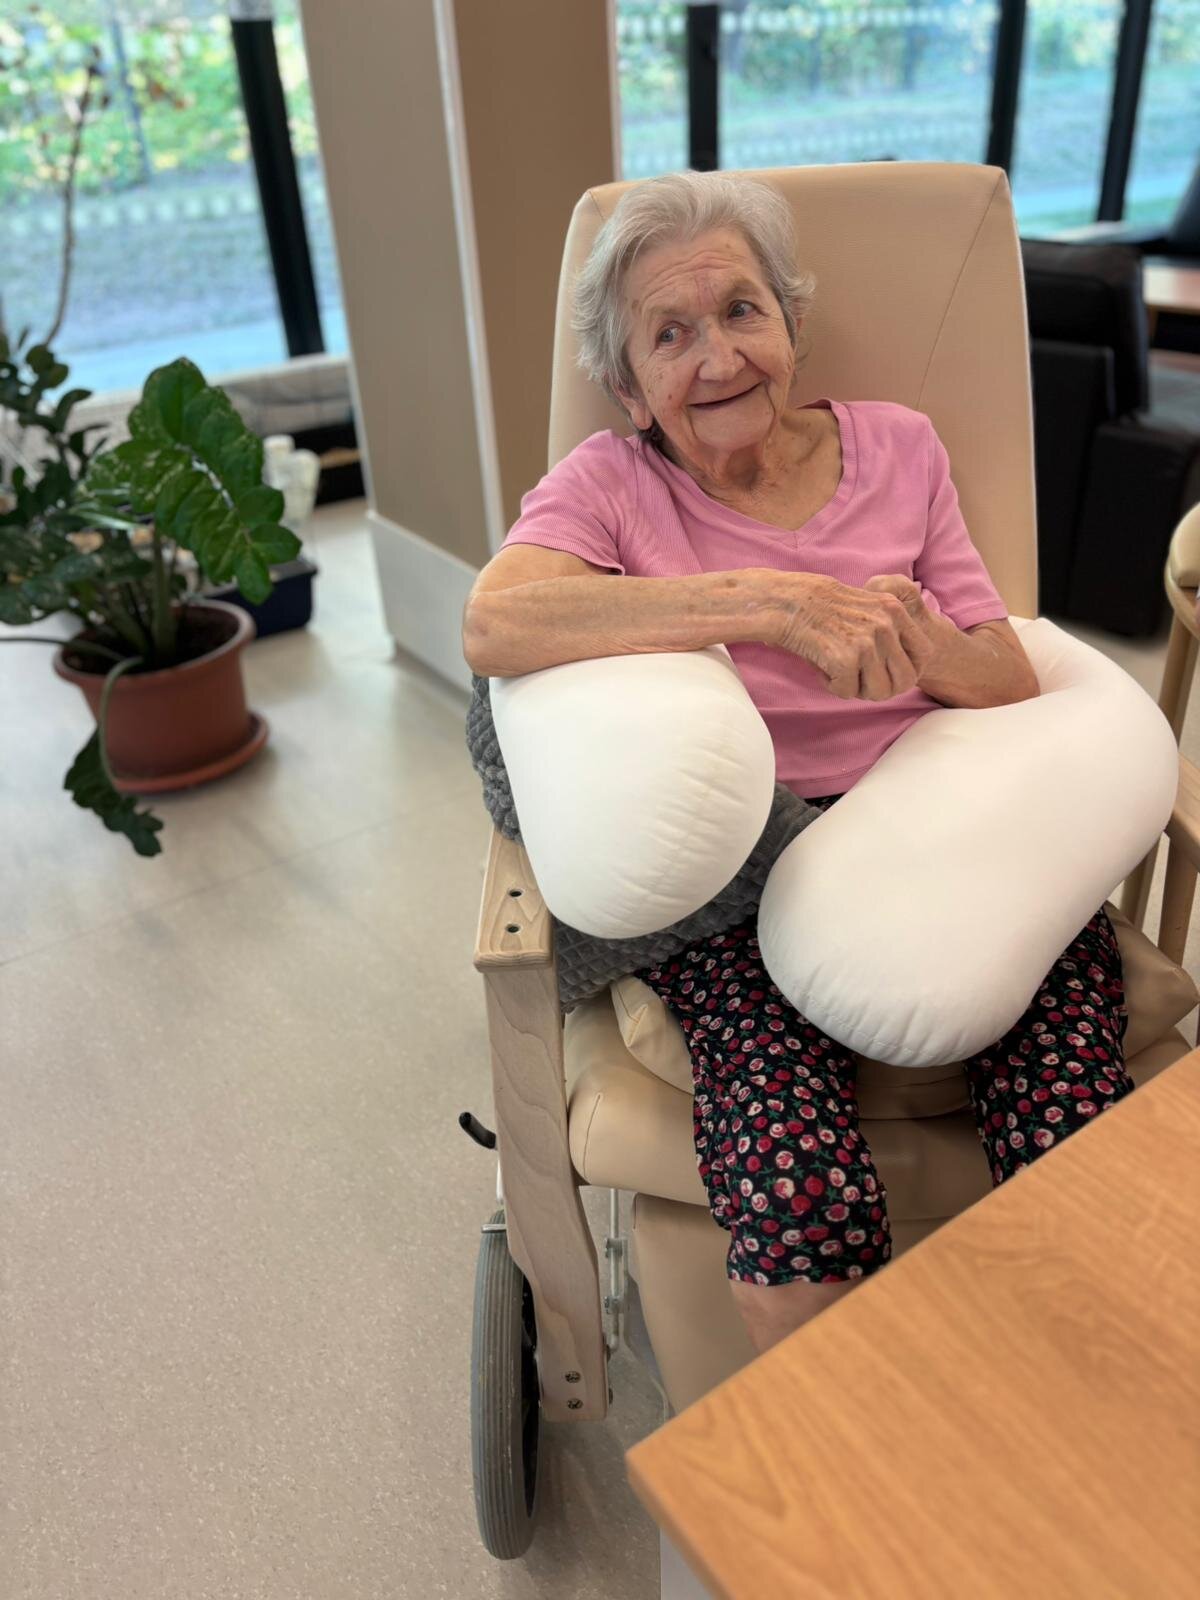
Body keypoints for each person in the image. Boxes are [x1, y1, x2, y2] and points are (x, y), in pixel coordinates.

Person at [461, 170, 1130, 1357]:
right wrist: (774, 605)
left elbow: (1005, 671)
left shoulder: (902, 447)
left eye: (741, 311)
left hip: (939, 822)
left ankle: (1075, 1394)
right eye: (671, 334)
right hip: (748, 876)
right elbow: (495, 625)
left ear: (792, 323)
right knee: (795, 1192)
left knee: (1077, 1131)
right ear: (630, 387)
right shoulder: (611, 483)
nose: (718, 356)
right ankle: (841, 1447)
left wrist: (927, 650)